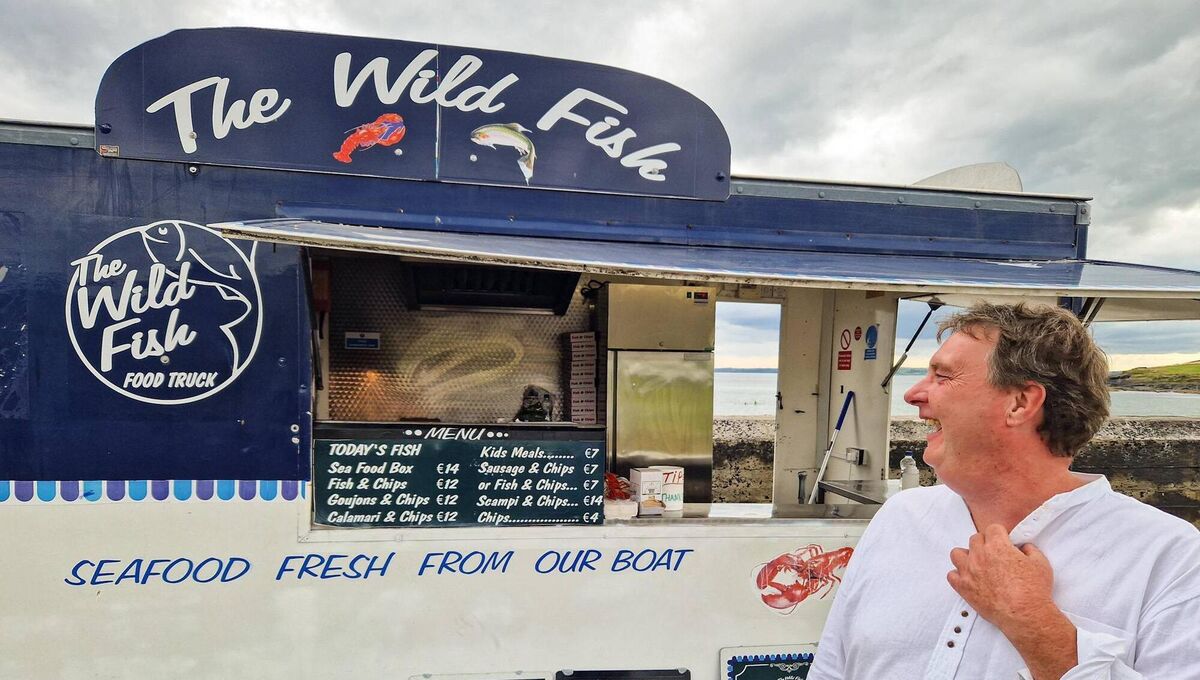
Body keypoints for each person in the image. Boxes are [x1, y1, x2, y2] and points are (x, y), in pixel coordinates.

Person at [809, 302, 1200, 679]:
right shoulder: (900, 517)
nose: (913, 395)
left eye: (942, 377)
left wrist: (1033, 621)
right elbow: (832, 669)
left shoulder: (1169, 557)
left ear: (1020, 403)